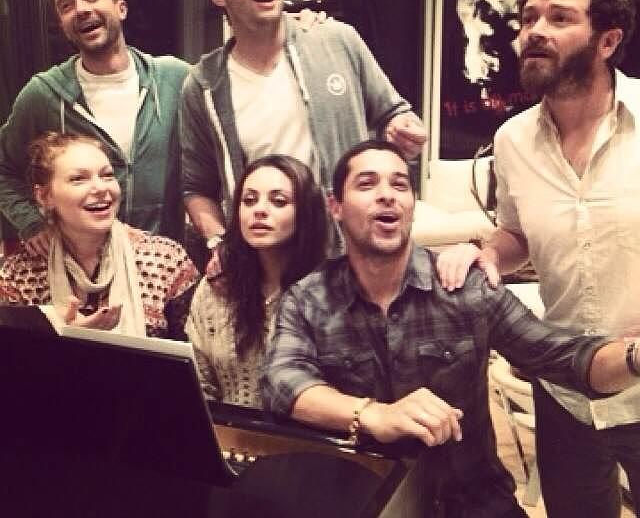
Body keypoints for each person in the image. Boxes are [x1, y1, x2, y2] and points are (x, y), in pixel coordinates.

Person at [262, 140, 640, 518]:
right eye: (367, 184)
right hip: (370, 502)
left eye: (399, 184)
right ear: (336, 207)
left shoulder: (464, 289)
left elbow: (566, 357)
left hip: (473, 503)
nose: (387, 195)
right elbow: (281, 382)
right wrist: (372, 414)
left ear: (411, 205)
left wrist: (633, 357)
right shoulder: (310, 299)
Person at [437, 0, 640, 517]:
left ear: (607, 40)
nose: (535, 31)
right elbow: (517, 233)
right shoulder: (512, 141)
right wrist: (484, 254)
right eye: (528, 18)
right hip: (564, 390)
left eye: (559, 17)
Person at [181, 0, 426, 269]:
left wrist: (405, 130)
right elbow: (196, 188)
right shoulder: (203, 84)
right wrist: (219, 243)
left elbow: (393, 113)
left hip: (345, 257)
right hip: (262, 264)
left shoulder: (337, 41)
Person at [0, 0, 189, 258]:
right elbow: (4, 169)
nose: (81, 9)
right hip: (78, 266)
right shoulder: (43, 95)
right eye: (66, 5)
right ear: (63, 26)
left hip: (162, 265)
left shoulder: (174, 79)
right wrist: (32, 223)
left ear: (120, 8)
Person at [0, 132, 199, 338]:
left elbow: (198, 350)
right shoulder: (19, 275)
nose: (101, 188)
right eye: (78, 179)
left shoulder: (165, 260)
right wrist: (69, 340)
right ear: (44, 196)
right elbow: (12, 356)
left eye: (107, 175)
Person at [185, 154, 328, 407]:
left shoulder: (328, 291)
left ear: (305, 212)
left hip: (305, 429)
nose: (259, 210)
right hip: (225, 428)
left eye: (278, 201)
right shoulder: (217, 285)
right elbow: (198, 384)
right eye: (249, 200)